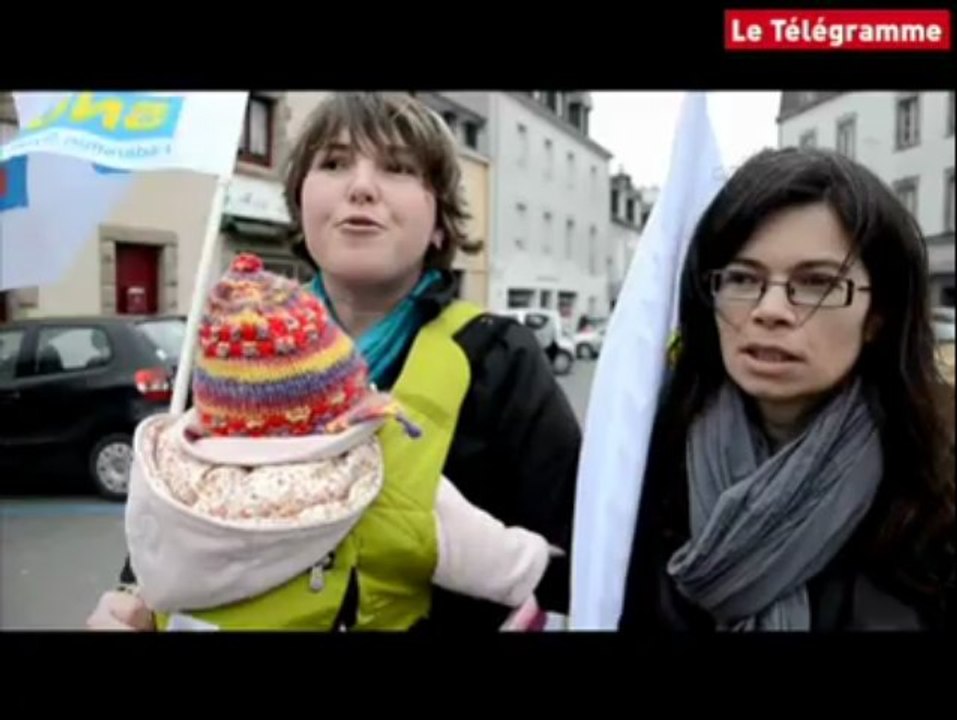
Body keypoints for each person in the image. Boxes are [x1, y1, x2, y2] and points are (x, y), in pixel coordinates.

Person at [88, 92, 580, 631]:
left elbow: (572, 566)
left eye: (397, 167)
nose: (361, 186)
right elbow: (178, 515)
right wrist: (130, 596)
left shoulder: (497, 359)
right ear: (301, 202)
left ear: (440, 220)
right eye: (334, 163)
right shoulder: (238, 348)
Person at [123, 253, 559, 630]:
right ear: (341, 409)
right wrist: (539, 562)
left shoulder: (169, 472)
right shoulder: (377, 481)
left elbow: (143, 564)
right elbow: (502, 564)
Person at [619, 147, 954, 631]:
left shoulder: (934, 492)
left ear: (878, 315)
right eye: (742, 278)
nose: (769, 309)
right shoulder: (645, 470)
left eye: (816, 282)